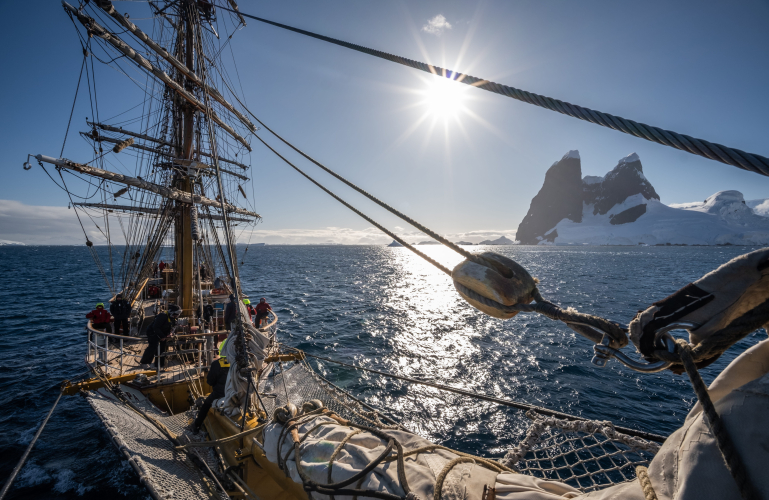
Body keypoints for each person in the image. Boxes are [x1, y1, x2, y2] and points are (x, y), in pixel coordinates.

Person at [192, 339, 230, 433]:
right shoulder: (236, 364)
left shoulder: (216, 364)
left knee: (206, 405)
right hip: (233, 393)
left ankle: (197, 425)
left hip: (219, 394)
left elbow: (210, 381)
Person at [139, 304, 181, 369]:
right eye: (176, 313)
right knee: (153, 346)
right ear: (172, 312)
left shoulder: (174, 318)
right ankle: (144, 362)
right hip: (152, 332)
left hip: (163, 332)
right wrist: (162, 336)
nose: (177, 315)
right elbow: (155, 327)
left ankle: (159, 365)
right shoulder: (162, 316)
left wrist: (171, 333)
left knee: (162, 349)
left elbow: (174, 327)